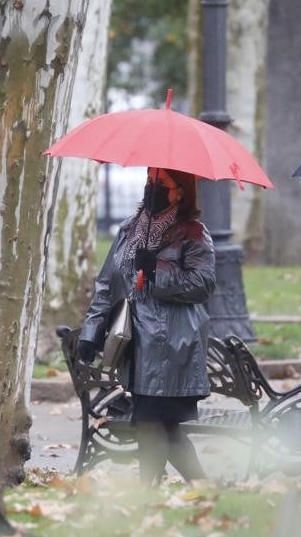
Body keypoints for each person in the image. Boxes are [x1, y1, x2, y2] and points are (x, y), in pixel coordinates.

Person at [77, 167, 216, 484]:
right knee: (160, 426)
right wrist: (91, 333)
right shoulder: (128, 230)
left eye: (160, 184)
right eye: (149, 182)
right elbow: (106, 285)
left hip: (173, 348)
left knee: (151, 423)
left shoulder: (193, 233)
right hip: (136, 346)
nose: (151, 189)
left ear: (179, 191)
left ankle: (147, 492)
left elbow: (203, 285)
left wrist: (156, 268)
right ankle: (201, 487)